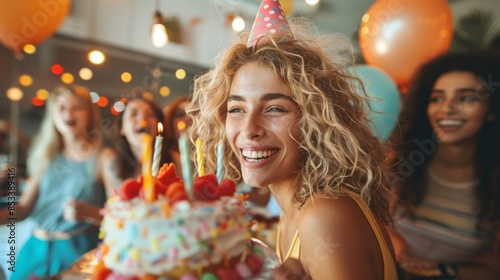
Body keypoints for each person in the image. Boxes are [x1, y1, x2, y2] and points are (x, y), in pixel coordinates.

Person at [186, 0, 397, 278]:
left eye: (274, 108)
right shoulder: (293, 211)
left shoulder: (323, 216)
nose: (249, 129)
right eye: (236, 109)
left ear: (316, 120)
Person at [388, 51, 500, 279]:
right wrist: (402, 253)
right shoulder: (398, 161)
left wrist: (445, 271)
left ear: (491, 111)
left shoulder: (494, 180)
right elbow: (365, 221)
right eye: (437, 98)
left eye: (466, 98)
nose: (447, 109)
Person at [0, 84, 108, 279]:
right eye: (61, 107)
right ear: (53, 115)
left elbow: (122, 217)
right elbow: (23, 208)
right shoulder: (46, 155)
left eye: (77, 106)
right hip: (35, 248)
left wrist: (90, 213)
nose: (69, 113)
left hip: (79, 251)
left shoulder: (103, 157)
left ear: (90, 114)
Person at [102, 93, 172, 191]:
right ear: (121, 128)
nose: (143, 119)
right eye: (133, 114)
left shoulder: (175, 161)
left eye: (151, 114)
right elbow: (111, 203)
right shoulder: (112, 166)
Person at [163, 96, 192, 174]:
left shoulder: (211, 158)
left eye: (194, 113)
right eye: (180, 114)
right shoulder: (163, 157)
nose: (188, 117)